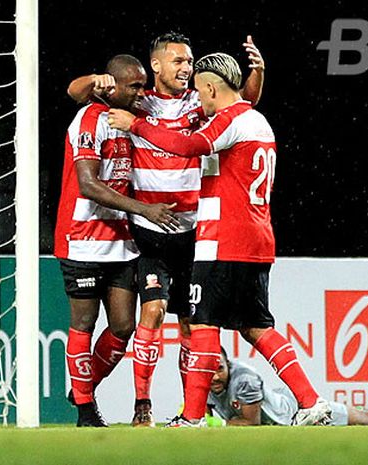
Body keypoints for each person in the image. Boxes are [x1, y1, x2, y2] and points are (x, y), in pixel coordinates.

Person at [108, 52, 331, 427]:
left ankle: (192, 417)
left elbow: (186, 146)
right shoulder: (257, 120)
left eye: (200, 91)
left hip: (223, 239)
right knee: (257, 326)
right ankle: (311, 402)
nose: (199, 100)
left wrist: (137, 126)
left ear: (211, 87)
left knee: (203, 324)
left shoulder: (230, 120)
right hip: (257, 239)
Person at [68, 32, 265, 427]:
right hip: (148, 230)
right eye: (178, 61)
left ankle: (189, 409)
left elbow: (244, 103)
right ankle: (143, 403)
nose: (186, 68)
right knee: (152, 313)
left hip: (193, 231)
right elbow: (78, 93)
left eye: (189, 61)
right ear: (156, 65)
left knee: (192, 324)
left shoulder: (199, 102)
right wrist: (96, 81)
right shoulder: (136, 101)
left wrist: (258, 71)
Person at [55, 54, 179, 427]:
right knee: (84, 323)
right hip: (83, 239)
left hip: (121, 242)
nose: (142, 93)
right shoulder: (90, 120)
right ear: (113, 85)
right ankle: (84, 409)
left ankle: (83, 385)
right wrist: (144, 209)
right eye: (135, 86)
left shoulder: (131, 123)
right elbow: (89, 185)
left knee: (123, 326)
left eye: (144, 85)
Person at [208, 347, 368, 426]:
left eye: (219, 368)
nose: (214, 377)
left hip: (298, 416)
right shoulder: (205, 381)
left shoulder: (245, 380)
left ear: (228, 363)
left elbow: (250, 424)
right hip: (284, 425)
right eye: (209, 371)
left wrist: (214, 426)